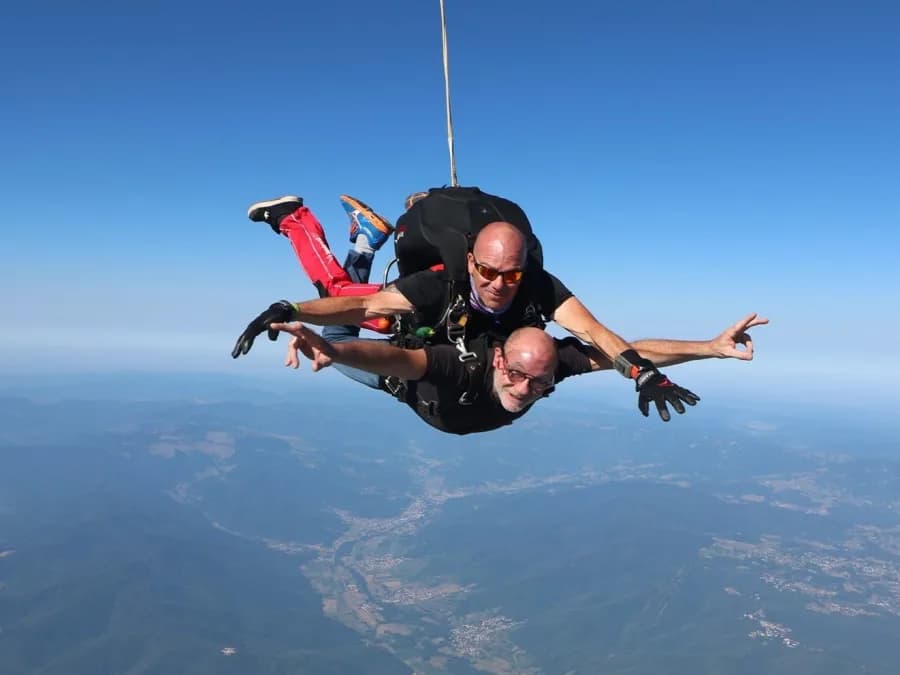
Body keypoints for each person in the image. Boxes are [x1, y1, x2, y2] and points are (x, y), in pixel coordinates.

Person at [231, 191, 699, 417]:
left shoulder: (539, 288)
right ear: (470, 262)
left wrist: (644, 371)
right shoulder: (441, 290)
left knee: (351, 321)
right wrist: (291, 310)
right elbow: (364, 312)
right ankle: (297, 220)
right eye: (488, 272)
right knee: (338, 305)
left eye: (511, 274)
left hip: (416, 327)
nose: (499, 283)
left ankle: (367, 243)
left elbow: (597, 333)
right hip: (413, 313)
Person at [264, 313, 767, 435]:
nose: (526, 391)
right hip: (397, 381)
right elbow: (398, 363)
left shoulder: (551, 367)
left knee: (353, 330)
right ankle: (364, 253)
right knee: (334, 335)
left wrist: (710, 349)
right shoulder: (460, 369)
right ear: (500, 361)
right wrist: (339, 353)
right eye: (520, 376)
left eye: (540, 383)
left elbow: (628, 351)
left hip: (421, 387)